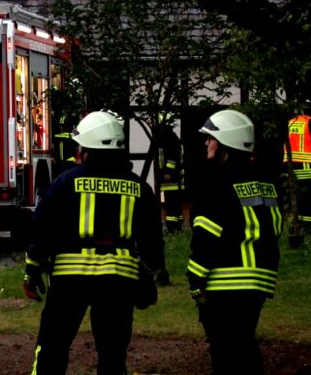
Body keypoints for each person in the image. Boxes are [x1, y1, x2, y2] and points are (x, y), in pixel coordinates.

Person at [24, 111, 165, 375]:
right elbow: (152, 240)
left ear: (86, 149)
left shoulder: (65, 182)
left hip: (69, 280)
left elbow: (42, 229)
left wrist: (32, 270)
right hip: (119, 280)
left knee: (52, 347)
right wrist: (148, 277)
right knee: (113, 355)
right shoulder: (138, 187)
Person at [189, 109, 280, 375]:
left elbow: (206, 236)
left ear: (225, 142)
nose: (206, 143)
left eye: (211, 138)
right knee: (244, 347)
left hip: (225, 281)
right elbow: (273, 229)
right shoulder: (266, 183)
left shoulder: (216, 181)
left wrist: (195, 279)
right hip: (259, 281)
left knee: (225, 354)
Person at [283, 105, 311, 247]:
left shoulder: (290, 123)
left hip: (292, 171)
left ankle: (297, 226)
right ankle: (310, 228)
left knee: (299, 201)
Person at [155, 123, 186, 233]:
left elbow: (172, 158)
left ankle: (173, 227)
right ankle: (176, 226)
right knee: (173, 204)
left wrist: (168, 171)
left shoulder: (170, 139)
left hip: (172, 179)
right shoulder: (171, 138)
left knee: (172, 204)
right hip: (172, 178)